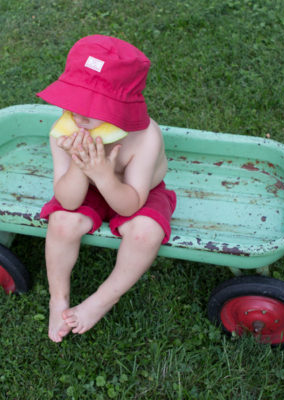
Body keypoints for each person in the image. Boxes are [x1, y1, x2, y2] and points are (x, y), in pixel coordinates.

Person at [36, 35, 177, 343]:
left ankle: (103, 298)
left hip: (135, 193)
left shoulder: (144, 137)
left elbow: (130, 205)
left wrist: (104, 173)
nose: (80, 115)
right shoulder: (65, 133)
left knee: (145, 234)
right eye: (75, 102)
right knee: (61, 223)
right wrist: (79, 164)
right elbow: (68, 201)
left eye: (94, 105)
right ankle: (57, 297)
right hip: (86, 187)